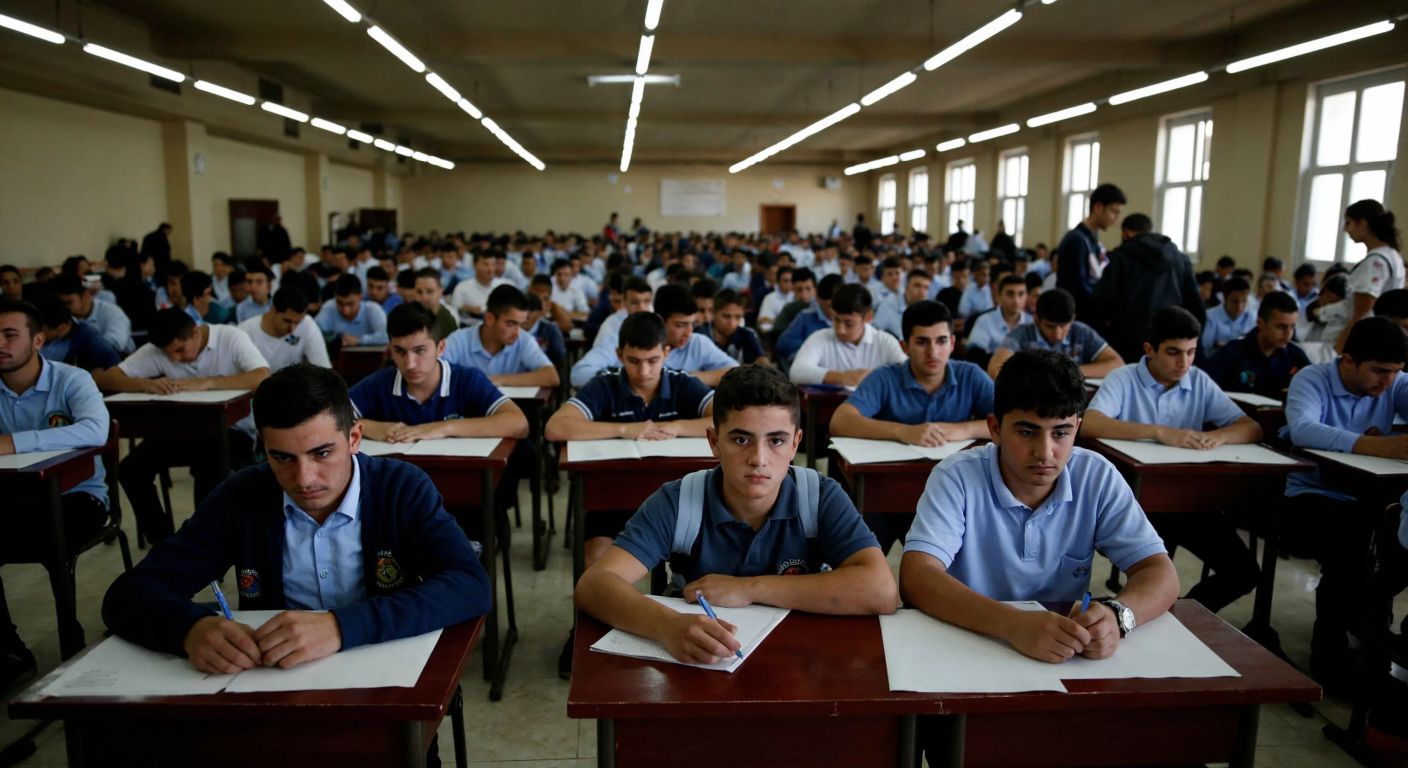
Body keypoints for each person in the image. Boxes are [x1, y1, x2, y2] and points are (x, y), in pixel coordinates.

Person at [102, 364, 490, 768]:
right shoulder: (242, 497)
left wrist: (341, 626)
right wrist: (189, 628)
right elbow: (128, 595)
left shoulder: (401, 488)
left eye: (322, 453)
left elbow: (468, 584)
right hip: (273, 699)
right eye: (282, 457)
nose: (304, 478)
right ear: (263, 449)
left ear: (354, 437)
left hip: (384, 700)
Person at [574, 363, 897, 665]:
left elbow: (881, 590)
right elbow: (596, 584)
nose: (759, 458)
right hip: (703, 660)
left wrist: (750, 588)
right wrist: (667, 626)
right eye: (741, 439)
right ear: (714, 442)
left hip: (799, 660)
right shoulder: (678, 501)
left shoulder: (820, 496)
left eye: (777, 441)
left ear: (796, 442)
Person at [899, 348, 1178, 667]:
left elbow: (1160, 572)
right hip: (966, 644)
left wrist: (1119, 616)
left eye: (1061, 433)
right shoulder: (956, 477)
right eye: (1027, 432)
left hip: (1060, 652)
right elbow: (917, 576)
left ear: (1078, 428)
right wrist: (1012, 623)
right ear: (995, 428)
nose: (1045, 452)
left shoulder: (1096, 477)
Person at [547, 311, 718, 676]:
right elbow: (557, 426)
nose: (643, 371)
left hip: (677, 508)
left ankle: (683, 629)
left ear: (667, 353)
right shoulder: (605, 384)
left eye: (653, 360)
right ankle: (586, 632)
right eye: (634, 361)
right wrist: (630, 430)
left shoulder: (683, 383)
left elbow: (724, 420)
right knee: (597, 561)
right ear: (620, 354)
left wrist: (671, 428)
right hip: (614, 502)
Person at [1080, 307, 1261, 613]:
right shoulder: (1123, 379)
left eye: (1191, 352)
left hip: (1191, 502)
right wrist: (1159, 432)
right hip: (1136, 502)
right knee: (1154, 575)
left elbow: (1250, 427)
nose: (1184, 362)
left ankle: (1182, 614)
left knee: (1244, 572)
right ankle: (1148, 609)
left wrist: (1220, 436)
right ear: (1149, 349)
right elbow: (1091, 423)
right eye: (1174, 352)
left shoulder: (1199, 380)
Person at [1281, 316, 1408, 685]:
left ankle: (1371, 638)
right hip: (1309, 495)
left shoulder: (1394, 384)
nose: (1387, 381)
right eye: (1379, 371)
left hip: (1371, 496)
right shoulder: (1312, 378)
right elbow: (1303, 429)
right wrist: (1380, 446)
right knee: (1353, 545)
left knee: (1393, 547)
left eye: (1396, 372)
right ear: (1348, 361)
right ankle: (1331, 654)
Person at [0, 297, 111, 693]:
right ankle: (9, 648)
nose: (0, 344)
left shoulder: (71, 380)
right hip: (14, 499)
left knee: (51, 537)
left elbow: (95, 431)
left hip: (78, 496)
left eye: (10, 335)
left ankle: (72, 640)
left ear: (38, 341)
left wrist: (13, 443)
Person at [95, 308, 271, 543]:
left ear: (196, 332)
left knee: (209, 466)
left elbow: (262, 377)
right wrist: (144, 384)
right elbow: (106, 378)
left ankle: (206, 541)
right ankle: (164, 541)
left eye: (180, 350)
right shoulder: (159, 349)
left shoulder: (230, 337)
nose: (175, 358)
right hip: (180, 432)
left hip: (233, 431)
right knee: (130, 469)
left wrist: (207, 383)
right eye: (169, 354)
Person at [830, 300, 993, 553]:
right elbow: (840, 421)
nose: (933, 352)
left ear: (952, 342)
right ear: (904, 346)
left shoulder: (970, 375)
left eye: (940, 341)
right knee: (860, 559)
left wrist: (965, 429)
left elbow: (1010, 421)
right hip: (885, 495)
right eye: (921, 342)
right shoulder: (885, 377)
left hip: (949, 497)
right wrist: (903, 431)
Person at [1090, 213, 1205, 364]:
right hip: (1171, 337)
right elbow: (1195, 303)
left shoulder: (1121, 257)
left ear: (1126, 233)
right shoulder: (1180, 259)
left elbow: (1103, 301)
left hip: (1127, 339)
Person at [571, 284, 737, 388]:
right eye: (680, 325)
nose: (689, 332)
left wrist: (692, 378)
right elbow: (578, 374)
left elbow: (738, 373)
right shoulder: (625, 340)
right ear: (660, 320)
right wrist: (633, 376)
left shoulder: (697, 343)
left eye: (692, 324)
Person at [987, 288, 1122, 379]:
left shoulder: (1081, 331)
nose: (1058, 334)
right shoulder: (1022, 334)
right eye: (1050, 327)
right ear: (1036, 319)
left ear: (1073, 318)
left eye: (1064, 326)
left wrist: (1068, 372)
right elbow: (995, 369)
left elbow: (1117, 364)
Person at [441, 285, 559, 387]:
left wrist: (499, 380)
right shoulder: (459, 340)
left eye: (521, 325)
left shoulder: (524, 340)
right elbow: (435, 372)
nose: (517, 332)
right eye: (511, 324)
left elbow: (551, 376)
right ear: (489, 318)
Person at [789, 283, 905, 387]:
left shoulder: (884, 341)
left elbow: (908, 372)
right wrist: (844, 377)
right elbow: (796, 372)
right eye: (836, 320)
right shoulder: (820, 338)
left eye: (849, 324)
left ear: (868, 317)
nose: (840, 330)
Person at [1205, 291, 1310, 397]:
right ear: (1261, 324)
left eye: (1292, 326)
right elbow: (1205, 387)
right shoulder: (1233, 351)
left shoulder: (1296, 356)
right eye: (1281, 327)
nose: (1288, 334)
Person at [1334, 200, 1404, 353]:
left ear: (1363, 223)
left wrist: (1341, 344)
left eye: (1348, 223)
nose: (1345, 229)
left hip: (1365, 336)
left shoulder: (1376, 262)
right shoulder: (1393, 255)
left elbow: (1363, 309)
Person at [1056, 183, 1125, 319]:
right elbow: (1076, 287)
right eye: (1114, 211)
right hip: (1078, 316)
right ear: (1098, 207)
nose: (1116, 218)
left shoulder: (1093, 239)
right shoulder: (1076, 240)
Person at [237, 285, 331, 372]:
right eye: (287, 321)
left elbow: (324, 370)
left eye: (297, 323)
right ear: (273, 309)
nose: (292, 329)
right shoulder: (244, 332)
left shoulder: (307, 323)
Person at [33, 292, 120, 373]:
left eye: (40, 330)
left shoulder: (90, 339)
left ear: (61, 327)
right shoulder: (52, 337)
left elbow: (113, 368)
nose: (34, 334)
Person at [52, 275, 133, 355]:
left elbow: (116, 344)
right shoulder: (65, 317)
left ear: (86, 296)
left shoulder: (112, 312)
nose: (64, 307)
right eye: (61, 303)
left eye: (69, 302)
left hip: (121, 359)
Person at [964, 275, 1031, 358]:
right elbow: (975, 354)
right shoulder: (985, 320)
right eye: (1010, 294)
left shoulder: (1031, 322)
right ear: (998, 296)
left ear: (1026, 296)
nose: (1016, 300)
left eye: (1021, 294)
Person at [316, 274, 389, 347]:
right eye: (340, 303)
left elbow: (387, 336)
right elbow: (314, 333)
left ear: (360, 297)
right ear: (335, 296)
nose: (345, 310)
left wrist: (359, 340)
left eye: (350, 304)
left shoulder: (372, 309)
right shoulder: (329, 307)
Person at [700, 289, 766, 364]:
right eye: (726, 316)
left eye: (738, 317)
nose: (732, 323)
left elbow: (762, 360)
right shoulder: (700, 336)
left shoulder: (747, 333)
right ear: (713, 313)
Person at [1200, 276, 1255, 355]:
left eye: (1244, 301)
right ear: (1225, 298)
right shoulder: (1210, 316)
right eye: (1234, 302)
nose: (1239, 307)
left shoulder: (1251, 316)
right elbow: (1206, 348)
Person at [873, 269, 932, 341]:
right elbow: (873, 334)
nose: (922, 292)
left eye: (926, 288)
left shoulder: (929, 310)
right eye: (917, 286)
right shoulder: (887, 306)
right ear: (906, 287)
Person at [450, 252, 507, 317]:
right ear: (475, 265)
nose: (490, 269)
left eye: (493, 264)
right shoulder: (462, 287)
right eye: (486, 264)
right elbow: (454, 311)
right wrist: (468, 308)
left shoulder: (504, 286)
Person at [525, 292, 567, 368]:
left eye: (531, 311)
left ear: (539, 313)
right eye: (524, 310)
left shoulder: (551, 329)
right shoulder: (514, 328)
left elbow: (560, 355)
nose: (527, 315)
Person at [757, 266, 794, 334]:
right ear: (778, 281)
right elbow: (763, 322)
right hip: (776, 334)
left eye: (791, 281)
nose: (789, 284)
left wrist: (776, 321)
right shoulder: (770, 298)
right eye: (785, 281)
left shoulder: (797, 297)